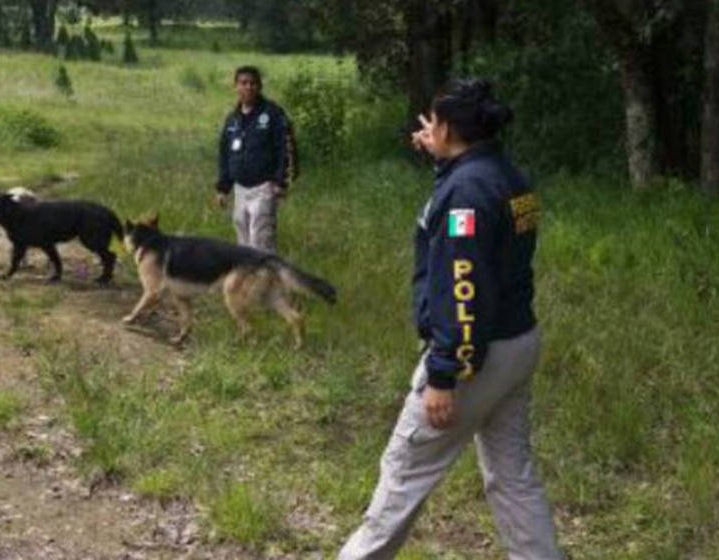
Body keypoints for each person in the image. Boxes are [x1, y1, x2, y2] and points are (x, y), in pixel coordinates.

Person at [338, 79, 562, 560]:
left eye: (434, 122)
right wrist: (444, 159)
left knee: (404, 472)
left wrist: (444, 372)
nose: (427, 129)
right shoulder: (504, 175)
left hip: (472, 356)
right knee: (512, 474)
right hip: (517, 341)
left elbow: (463, 286)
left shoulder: (467, 192)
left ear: (450, 128)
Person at [215, 66, 293, 252]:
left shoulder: (273, 114)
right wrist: (222, 188)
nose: (248, 87)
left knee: (261, 242)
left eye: (253, 83)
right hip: (240, 189)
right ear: (236, 86)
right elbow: (225, 154)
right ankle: (248, 281)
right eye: (243, 83)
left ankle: (266, 281)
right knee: (243, 246)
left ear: (259, 87)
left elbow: (286, 148)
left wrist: (280, 182)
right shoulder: (232, 119)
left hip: (264, 188)